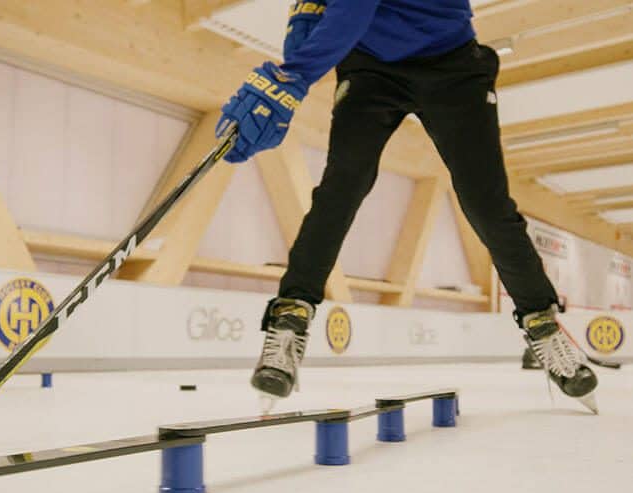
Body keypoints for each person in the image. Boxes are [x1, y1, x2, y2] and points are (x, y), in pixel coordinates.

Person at [216, 0, 599, 412]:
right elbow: (311, 18)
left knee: (485, 202)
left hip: (452, 63)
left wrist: (293, 76)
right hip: (371, 69)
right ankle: (290, 318)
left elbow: (353, 11)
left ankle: (542, 324)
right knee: (342, 186)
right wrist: (286, 73)